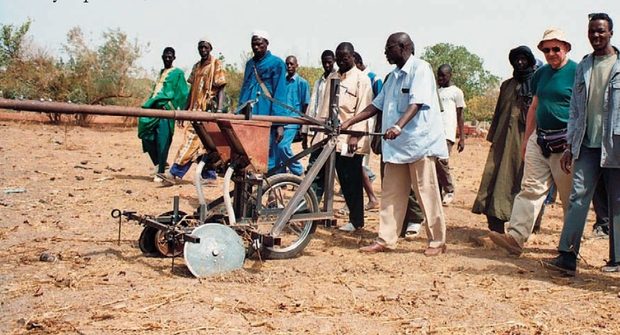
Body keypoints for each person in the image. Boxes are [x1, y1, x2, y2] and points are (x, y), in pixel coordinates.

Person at [341, 32, 448, 255]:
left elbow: (416, 103)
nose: (385, 52)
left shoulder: (421, 69)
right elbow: (376, 105)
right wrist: (351, 120)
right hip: (397, 148)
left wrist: (398, 126)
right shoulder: (392, 77)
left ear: (403, 47)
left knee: (426, 193)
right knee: (390, 195)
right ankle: (386, 239)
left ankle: (437, 241)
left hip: (419, 144)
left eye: (389, 48)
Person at [489, 28, 577, 255]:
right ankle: (516, 238)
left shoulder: (577, 72)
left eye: (556, 48)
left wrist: (574, 143)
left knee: (570, 198)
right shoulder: (541, 73)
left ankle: (569, 248)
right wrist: (529, 138)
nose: (551, 53)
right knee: (530, 189)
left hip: (566, 143)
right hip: (541, 139)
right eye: (546, 49)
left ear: (566, 47)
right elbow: (535, 106)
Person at [545, 13, 620, 275]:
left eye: (601, 31)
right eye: (592, 32)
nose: (596, 36)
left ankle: (617, 260)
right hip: (586, 145)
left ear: (611, 32)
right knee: (578, 198)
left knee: (616, 202)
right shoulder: (583, 67)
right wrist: (569, 145)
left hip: (615, 145)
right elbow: (576, 110)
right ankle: (567, 256)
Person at [471, 46, 537, 235]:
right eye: (517, 59)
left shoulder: (536, 84)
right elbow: (499, 111)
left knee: (522, 180)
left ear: (530, 61)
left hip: (524, 139)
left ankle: (524, 225)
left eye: (524, 59)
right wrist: (492, 136)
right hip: (502, 139)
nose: (520, 62)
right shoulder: (506, 85)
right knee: (495, 177)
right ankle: (495, 220)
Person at [314, 42, 373, 232]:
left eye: (344, 57)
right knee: (318, 175)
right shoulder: (333, 77)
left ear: (353, 57)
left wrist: (355, 136)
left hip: (349, 138)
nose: (340, 61)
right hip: (329, 136)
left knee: (350, 179)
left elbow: (364, 108)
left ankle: (357, 222)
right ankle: (310, 213)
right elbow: (324, 106)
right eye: (338, 57)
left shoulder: (361, 80)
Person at [162, 37, 226, 185]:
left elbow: (221, 86)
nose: (203, 50)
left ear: (210, 48)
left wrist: (220, 109)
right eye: (200, 47)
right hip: (195, 109)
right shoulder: (196, 66)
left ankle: (174, 173)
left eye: (205, 47)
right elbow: (192, 89)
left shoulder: (216, 64)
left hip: (208, 110)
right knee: (203, 144)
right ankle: (209, 175)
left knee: (191, 141)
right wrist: (185, 110)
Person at [238, 30, 295, 175]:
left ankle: (271, 191)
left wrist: (279, 123)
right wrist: (239, 112)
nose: (256, 47)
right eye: (253, 44)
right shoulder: (250, 64)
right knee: (248, 154)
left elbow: (279, 93)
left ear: (266, 44)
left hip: (267, 113)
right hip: (250, 114)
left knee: (269, 153)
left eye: (259, 44)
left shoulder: (277, 63)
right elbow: (245, 88)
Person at [139, 47, 188, 183]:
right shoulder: (162, 72)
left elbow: (183, 92)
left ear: (174, 58)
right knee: (145, 134)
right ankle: (159, 163)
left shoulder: (177, 73)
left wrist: (176, 109)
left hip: (166, 110)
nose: (167, 58)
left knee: (163, 141)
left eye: (170, 56)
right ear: (162, 57)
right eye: (165, 56)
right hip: (153, 108)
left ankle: (160, 172)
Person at [306, 50, 336, 200]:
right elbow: (313, 105)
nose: (327, 65)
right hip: (317, 127)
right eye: (324, 62)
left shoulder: (337, 79)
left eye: (330, 62)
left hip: (329, 128)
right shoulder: (319, 81)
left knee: (327, 168)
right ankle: (313, 200)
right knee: (314, 166)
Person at [353, 51, 380, 211]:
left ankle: (370, 198)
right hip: (353, 126)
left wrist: (377, 129)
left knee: (358, 164)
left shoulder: (373, 78)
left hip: (366, 126)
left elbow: (378, 106)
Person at [273, 55, 309, 176]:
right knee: (276, 149)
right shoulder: (281, 82)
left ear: (296, 65)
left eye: (291, 64)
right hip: (280, 120)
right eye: (287, 64)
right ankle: (280, 176)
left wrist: (302, 125)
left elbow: (305, 104)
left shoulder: (302, 83)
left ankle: (299, 172)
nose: (289, 66)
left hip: (293, 121)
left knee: (283, 147)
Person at [436, 64, 466, 205]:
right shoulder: (437, 92)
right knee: (434, 162)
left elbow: (460, 115)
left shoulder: (456, 92)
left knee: (442, 161)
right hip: (435, 132)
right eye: (439, 75)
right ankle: (438, 191)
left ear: (450, 75)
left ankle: (449, 190)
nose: (440, 78)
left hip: (447, 132)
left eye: (443, 75)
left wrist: (462, 137)